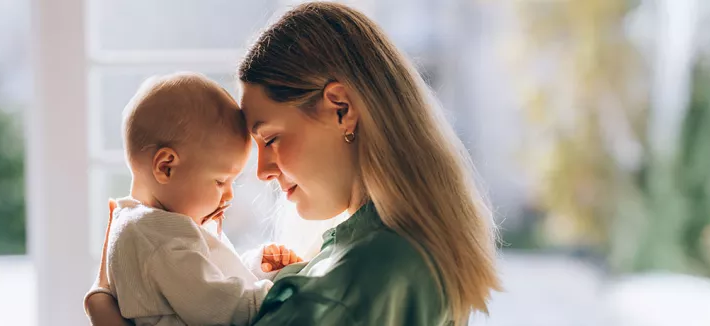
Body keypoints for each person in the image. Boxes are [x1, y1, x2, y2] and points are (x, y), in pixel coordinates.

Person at [87, 2, 502, 325]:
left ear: (340, 109)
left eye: (271, 139)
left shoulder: (359, 280)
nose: (262, 171)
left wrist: (103, 311)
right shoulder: (387, 252)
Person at [86, 72, 304, 326]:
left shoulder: (147, 226)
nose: (229, 194)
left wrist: (257, 267)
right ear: (166, 167)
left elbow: (204, 283)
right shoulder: (157, 238)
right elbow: (224, 309)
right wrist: (286, 293)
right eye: (220, 181)